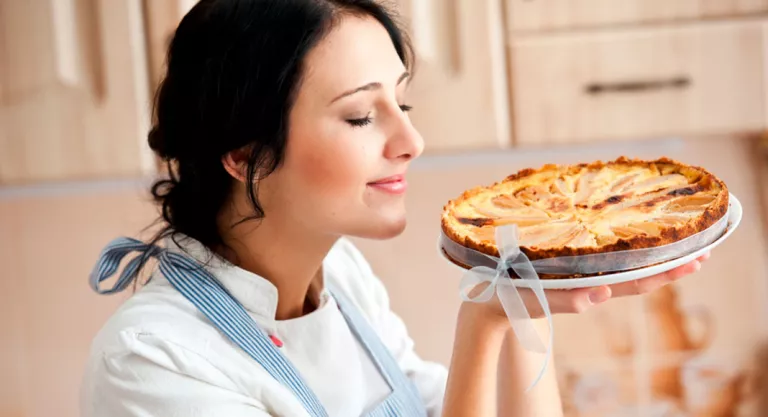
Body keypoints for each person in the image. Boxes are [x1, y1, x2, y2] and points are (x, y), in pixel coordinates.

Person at [80, 1, 709, 416]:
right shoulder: (153, 363)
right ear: (243, 155)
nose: (410, 142)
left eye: (400, 105)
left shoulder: (344, 279)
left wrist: (527, 291)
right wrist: (480, 321)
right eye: (360, 115)